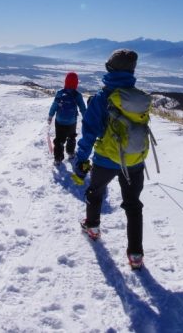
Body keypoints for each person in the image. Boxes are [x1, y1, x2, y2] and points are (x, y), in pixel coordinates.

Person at [72, 49, 151, 269]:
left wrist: (81, 158)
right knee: (133, 205)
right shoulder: (137, 98)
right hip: (134, 161)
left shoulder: (101, 98)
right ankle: (136, 255)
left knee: (95, 192)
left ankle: (93, 227)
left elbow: (89, 132)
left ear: (110, 69)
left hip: (106, 159)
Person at [48, 72, 87, 164]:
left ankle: (58, 159)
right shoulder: (77, 95)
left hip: (59, 121)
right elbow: (82, 108)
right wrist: (86, 119)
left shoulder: (60, 93)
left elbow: (54, 105)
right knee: (71, 137)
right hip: (71, 122)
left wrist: (50, 116)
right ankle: (70, 153)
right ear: (76, 83)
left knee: (59, 140)